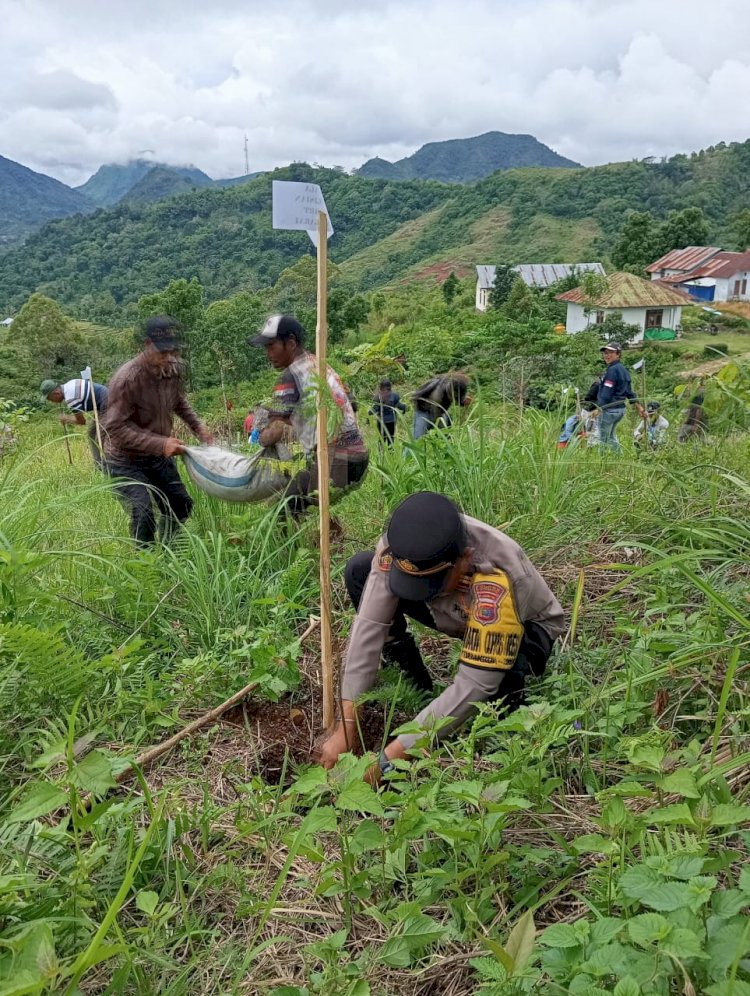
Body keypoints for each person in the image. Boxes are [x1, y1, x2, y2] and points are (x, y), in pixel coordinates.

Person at [319, 492, 565, 775]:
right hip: (454, 610)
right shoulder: (399, 546)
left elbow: (475, 682)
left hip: (526, 629)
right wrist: (347, 727)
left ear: (465, 559)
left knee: (500, 688)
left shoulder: (500, 576)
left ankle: (506, 727)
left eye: (429, 584)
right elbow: (368, 629)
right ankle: (413, 683)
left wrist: (389, 760)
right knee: (359, 569)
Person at [101, 315, 214, 545]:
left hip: (157, 457)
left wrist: (197, 427)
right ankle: (147, 567)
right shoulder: (127, 379)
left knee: (180, 504)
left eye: (174, 352)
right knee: (143, 513)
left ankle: (168, 550)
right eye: (163, 353)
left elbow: (179, 401)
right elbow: (115, 427)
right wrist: (161, 444)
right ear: (147, 345)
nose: (169, 358)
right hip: (125, 460)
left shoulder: (172, 370)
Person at [249, 314, 369, 516]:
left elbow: (274, 432)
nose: (267, 353)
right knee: (304, 503)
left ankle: (305, 545)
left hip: (335, 462)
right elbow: (352, 404)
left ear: (291, 343)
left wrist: (261, 437)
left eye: (271, 346)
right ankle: (330, 540)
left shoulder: (290, 376)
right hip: (359, 458)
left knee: (280, 510)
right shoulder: (321, 365)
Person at [40, 377, 109, 466]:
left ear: (56, 393)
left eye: (50, 399)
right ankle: (99, 464)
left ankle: (106, 466)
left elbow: (81, 421)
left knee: (101, 435)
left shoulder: (71, 399)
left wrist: (67, 419)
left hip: (107, 403)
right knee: (93, 433)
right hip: (103, 401)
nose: (52, 402)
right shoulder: (69, 384)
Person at [594, 343, 644, 453]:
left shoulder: (612, 370)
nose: (607, 355)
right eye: (605, 353)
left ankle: (601, 462)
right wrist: (639, 407)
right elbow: (629, 392)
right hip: (620, 410)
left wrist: (599, 408)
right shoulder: (623, 370)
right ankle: (618, 455)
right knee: (610, 436)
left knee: (603, 438)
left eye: (611, 353)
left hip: (609, 409)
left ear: (618, 354)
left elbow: (607, 392)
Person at [411, 373, 471, 439]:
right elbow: (437, 415)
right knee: (416, 438)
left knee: (445, 438)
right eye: (452, 394)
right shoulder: (438, 393)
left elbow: (458, 399)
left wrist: (463, 402)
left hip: (441, 412)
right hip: (424, 412)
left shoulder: (458, 388)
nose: (453, 397)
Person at [369, 379, 406, 445]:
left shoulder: (378, 396)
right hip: (391, 421)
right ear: (390, 386)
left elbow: (375, 408)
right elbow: (399, 405)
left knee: (381, 439)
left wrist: (369, 414)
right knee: (391, 439)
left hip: (381, 421)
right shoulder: (394, 395)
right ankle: (391, 453)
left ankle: (381, 453)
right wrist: (404, 408)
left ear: (381, 386)